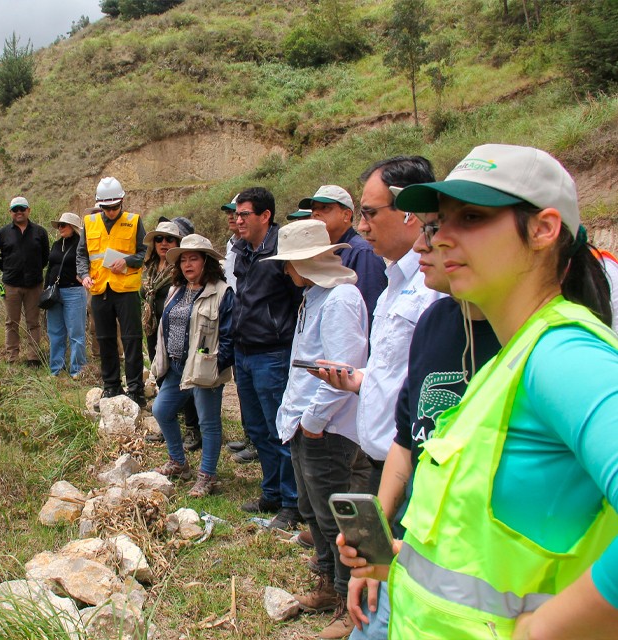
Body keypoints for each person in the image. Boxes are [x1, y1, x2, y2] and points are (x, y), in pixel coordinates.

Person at [380, 144, 618, 639]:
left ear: (543, 230)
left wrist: (548, 627)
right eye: (439, 220)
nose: (440, 238)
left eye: (470, 216)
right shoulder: (511, 358)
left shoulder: (563, 356)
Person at [341, 216, 502, 640]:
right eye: (427, 230)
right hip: (413, 564)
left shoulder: (554, 348)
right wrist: (375, 547)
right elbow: (409, 438)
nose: (423, 246)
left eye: (442, 230)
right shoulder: (436, 321)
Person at [313, 157, 445, 496]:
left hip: (418, 472)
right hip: (384, 465)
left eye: (370, 213)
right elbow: (399, 370)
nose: (363, 227)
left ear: (409, 212)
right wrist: (359, 379)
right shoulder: (393, 286)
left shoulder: (438, 288)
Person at [265, 220, 369, 640]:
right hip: (307, 423)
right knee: (314, 511)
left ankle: (351, 604)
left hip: (327, 429)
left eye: (289, 263)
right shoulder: (315, 295)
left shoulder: (341, 299)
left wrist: (312, 423)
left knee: (336, 519)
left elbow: (343, 368)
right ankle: (329, 586)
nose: (285, 271)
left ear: (305, 263)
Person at [230, 187, 304, 531]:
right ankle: (271, 492)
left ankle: (292, 504)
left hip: (272, 353)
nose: (238, 219)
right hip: (244, 352)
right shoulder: (243, 250)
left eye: (245, 214)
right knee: (257, 429)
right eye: (237, 213)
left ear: (265, 216)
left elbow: (296, 299)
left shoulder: (281, 250)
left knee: (281, 429)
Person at [150, 235, 234, 498]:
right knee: (161, 410)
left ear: (206, 262)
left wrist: (216, 363)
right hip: (176, 366)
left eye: (193, 258)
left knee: (208, 423)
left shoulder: (221, 291)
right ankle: (179, 462)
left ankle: (207, 475)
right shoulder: (177, 289)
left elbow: (230, 334)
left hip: (204, 368)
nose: (187, 264)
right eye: (183, 259)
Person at [76, 177, 147, 407]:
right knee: (105, 340)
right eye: (106, 208)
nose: (111, 212)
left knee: (132, 340)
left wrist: (127, 262)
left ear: (122, 201)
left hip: (126, 290)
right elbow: (82, 254)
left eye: (115, 207)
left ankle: (136, 388)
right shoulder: (89, 222)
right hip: (99, 289)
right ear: (99, 205)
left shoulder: (134, 221)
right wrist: (84, 274)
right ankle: (111, 386)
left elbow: (143, 253)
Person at [143, 219, 201, 450]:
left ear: (177, 242)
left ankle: (192, 428)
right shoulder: (149, 268)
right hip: (153, 329)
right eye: (159, 239)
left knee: (183, 380)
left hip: (177, 332)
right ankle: (169, 426)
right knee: (160, 375)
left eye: (169, 239)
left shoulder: (180, 268)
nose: (164, 243)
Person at [300, 185, 387, 323]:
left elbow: (369, 311)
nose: (316, 213)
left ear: (346, 215)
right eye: (314, 209)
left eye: (325, 208)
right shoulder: (324, 253)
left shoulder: (362, 253)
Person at [220, 195, 259, 464]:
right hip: (235, 318)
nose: (234, 217)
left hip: (250, 322)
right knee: (242, 384)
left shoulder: (252, 247)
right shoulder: (232, 245)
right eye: (231, 212)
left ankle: (257, 442)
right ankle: (249, 434)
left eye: (240, 213)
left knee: (255, 388)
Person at [0, 195, 49, 365]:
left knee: (33, 322)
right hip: (11, 285)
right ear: (10, 212)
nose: (19, 212)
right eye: (15, 209)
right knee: (12, 322)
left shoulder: (40, 232)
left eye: (22, 209)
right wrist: (12, 270)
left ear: (28, 210)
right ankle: (13, 358)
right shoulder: (3, 233)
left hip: (34, 285)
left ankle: (33, 357)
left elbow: (45, 258)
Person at [45, 212, 87, 379]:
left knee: (76, 333)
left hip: (74, 291)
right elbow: (50, 267)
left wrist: (83, 277)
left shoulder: (81, 245)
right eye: (59, 225)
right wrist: (46, 288)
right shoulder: (56, 244)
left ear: (73, 227)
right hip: (55, 293)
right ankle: (56, 369)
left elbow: (86, 265)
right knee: (55, 332)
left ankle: (77, 369)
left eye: (64, 225)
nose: (60, 228)